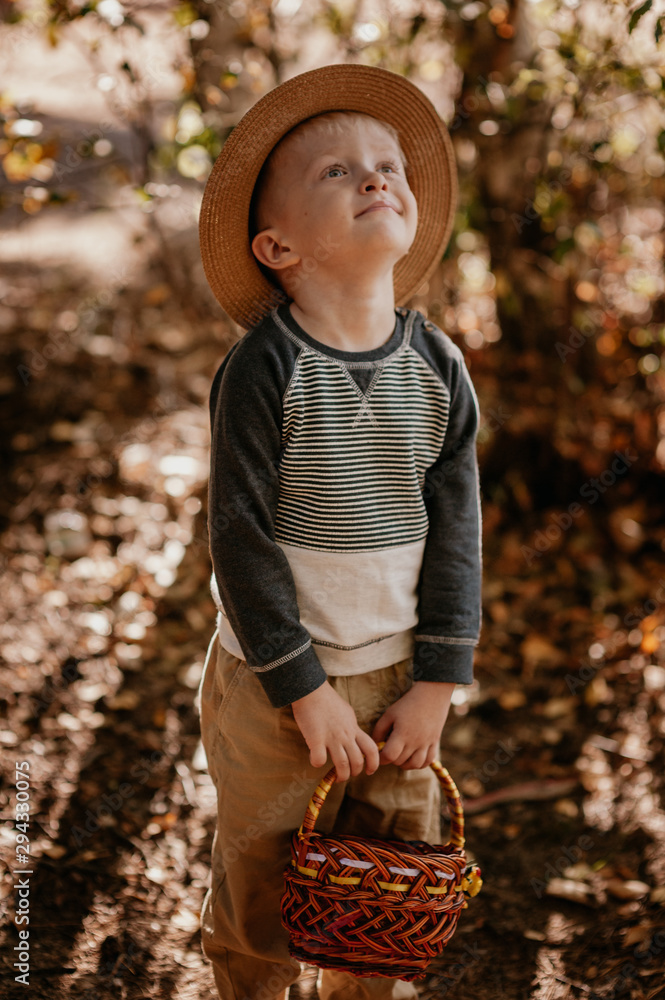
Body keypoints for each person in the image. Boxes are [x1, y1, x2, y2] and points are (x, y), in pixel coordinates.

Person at [196, 64, 483, 1000]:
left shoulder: (436, 364)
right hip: (275, 688)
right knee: (262, 896)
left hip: (400, 679)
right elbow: (239, 536)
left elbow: (456, 530)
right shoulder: (263, 369)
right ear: (278, 247)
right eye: (337, 172)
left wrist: (439, 680)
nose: (375, 178)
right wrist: (302, 689)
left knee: (383, 903)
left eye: (388, 165)